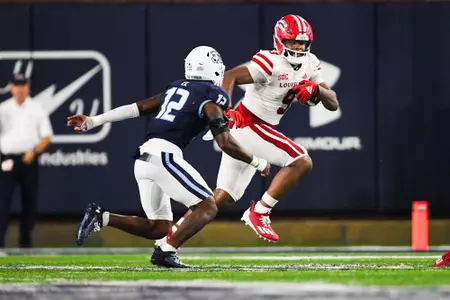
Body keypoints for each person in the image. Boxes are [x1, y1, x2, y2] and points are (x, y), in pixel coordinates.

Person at [68, 46, 270, 268]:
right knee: (207, 206)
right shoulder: (214, 95)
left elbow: (138, 107)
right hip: (164, 156)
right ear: (214, 69)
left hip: (144, 158)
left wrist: (94, 120)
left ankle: (102, 217)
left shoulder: (176, 88)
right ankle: (166, 251)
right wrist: (256, 161)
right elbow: (225, 142)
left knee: (160, 227)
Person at [155, 14, 340, 247]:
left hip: (260, 128)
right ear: (280, 40)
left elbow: (333, 103)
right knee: (301, 161)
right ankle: (260, 212)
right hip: (248, 123)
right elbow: (231, 75)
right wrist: (224, 110)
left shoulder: (310, 63)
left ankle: (168, 240)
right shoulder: (270, 62)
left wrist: (317, 91)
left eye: (301, 43)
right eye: (292, 42)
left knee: (221, 198)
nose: (297, 47)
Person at [0, 73, 53, 248]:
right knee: (3, 201)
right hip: (7, 161)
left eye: (22, 85)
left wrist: (34, 151)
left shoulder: (36, 109)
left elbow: (46, 137)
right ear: (12, 87)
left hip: (28, 160)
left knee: (29, 202)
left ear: (27, 87)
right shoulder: (4, 109)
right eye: (16, 85)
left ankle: (25, 242)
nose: (20, 89)